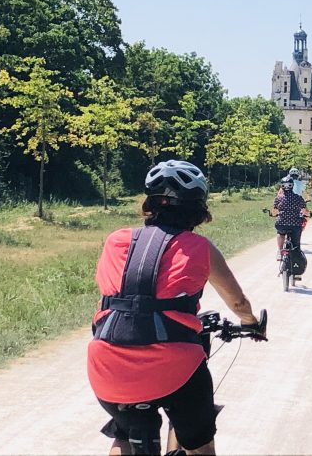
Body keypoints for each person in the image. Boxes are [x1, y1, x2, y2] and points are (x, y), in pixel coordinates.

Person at [87, 160, 265, 455]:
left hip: (107, 366)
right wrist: (251, 323)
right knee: (200, 444)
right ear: (198, 208)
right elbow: (237, 302)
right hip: (175, 369)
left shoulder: (115, 240)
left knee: (125, 435)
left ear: (150, 204)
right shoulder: (199, 248)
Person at [272, 176, 308, 260]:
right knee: (296, 245)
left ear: (282, 186)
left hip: (281, 224)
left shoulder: (278, 198)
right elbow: (304, 211)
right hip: (295, 225)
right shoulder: (298, 198)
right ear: (292, 186)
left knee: (280, 233)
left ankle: (280, 251)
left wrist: (277, 215)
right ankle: (296, 257)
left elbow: (274, 212)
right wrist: (307, 214)